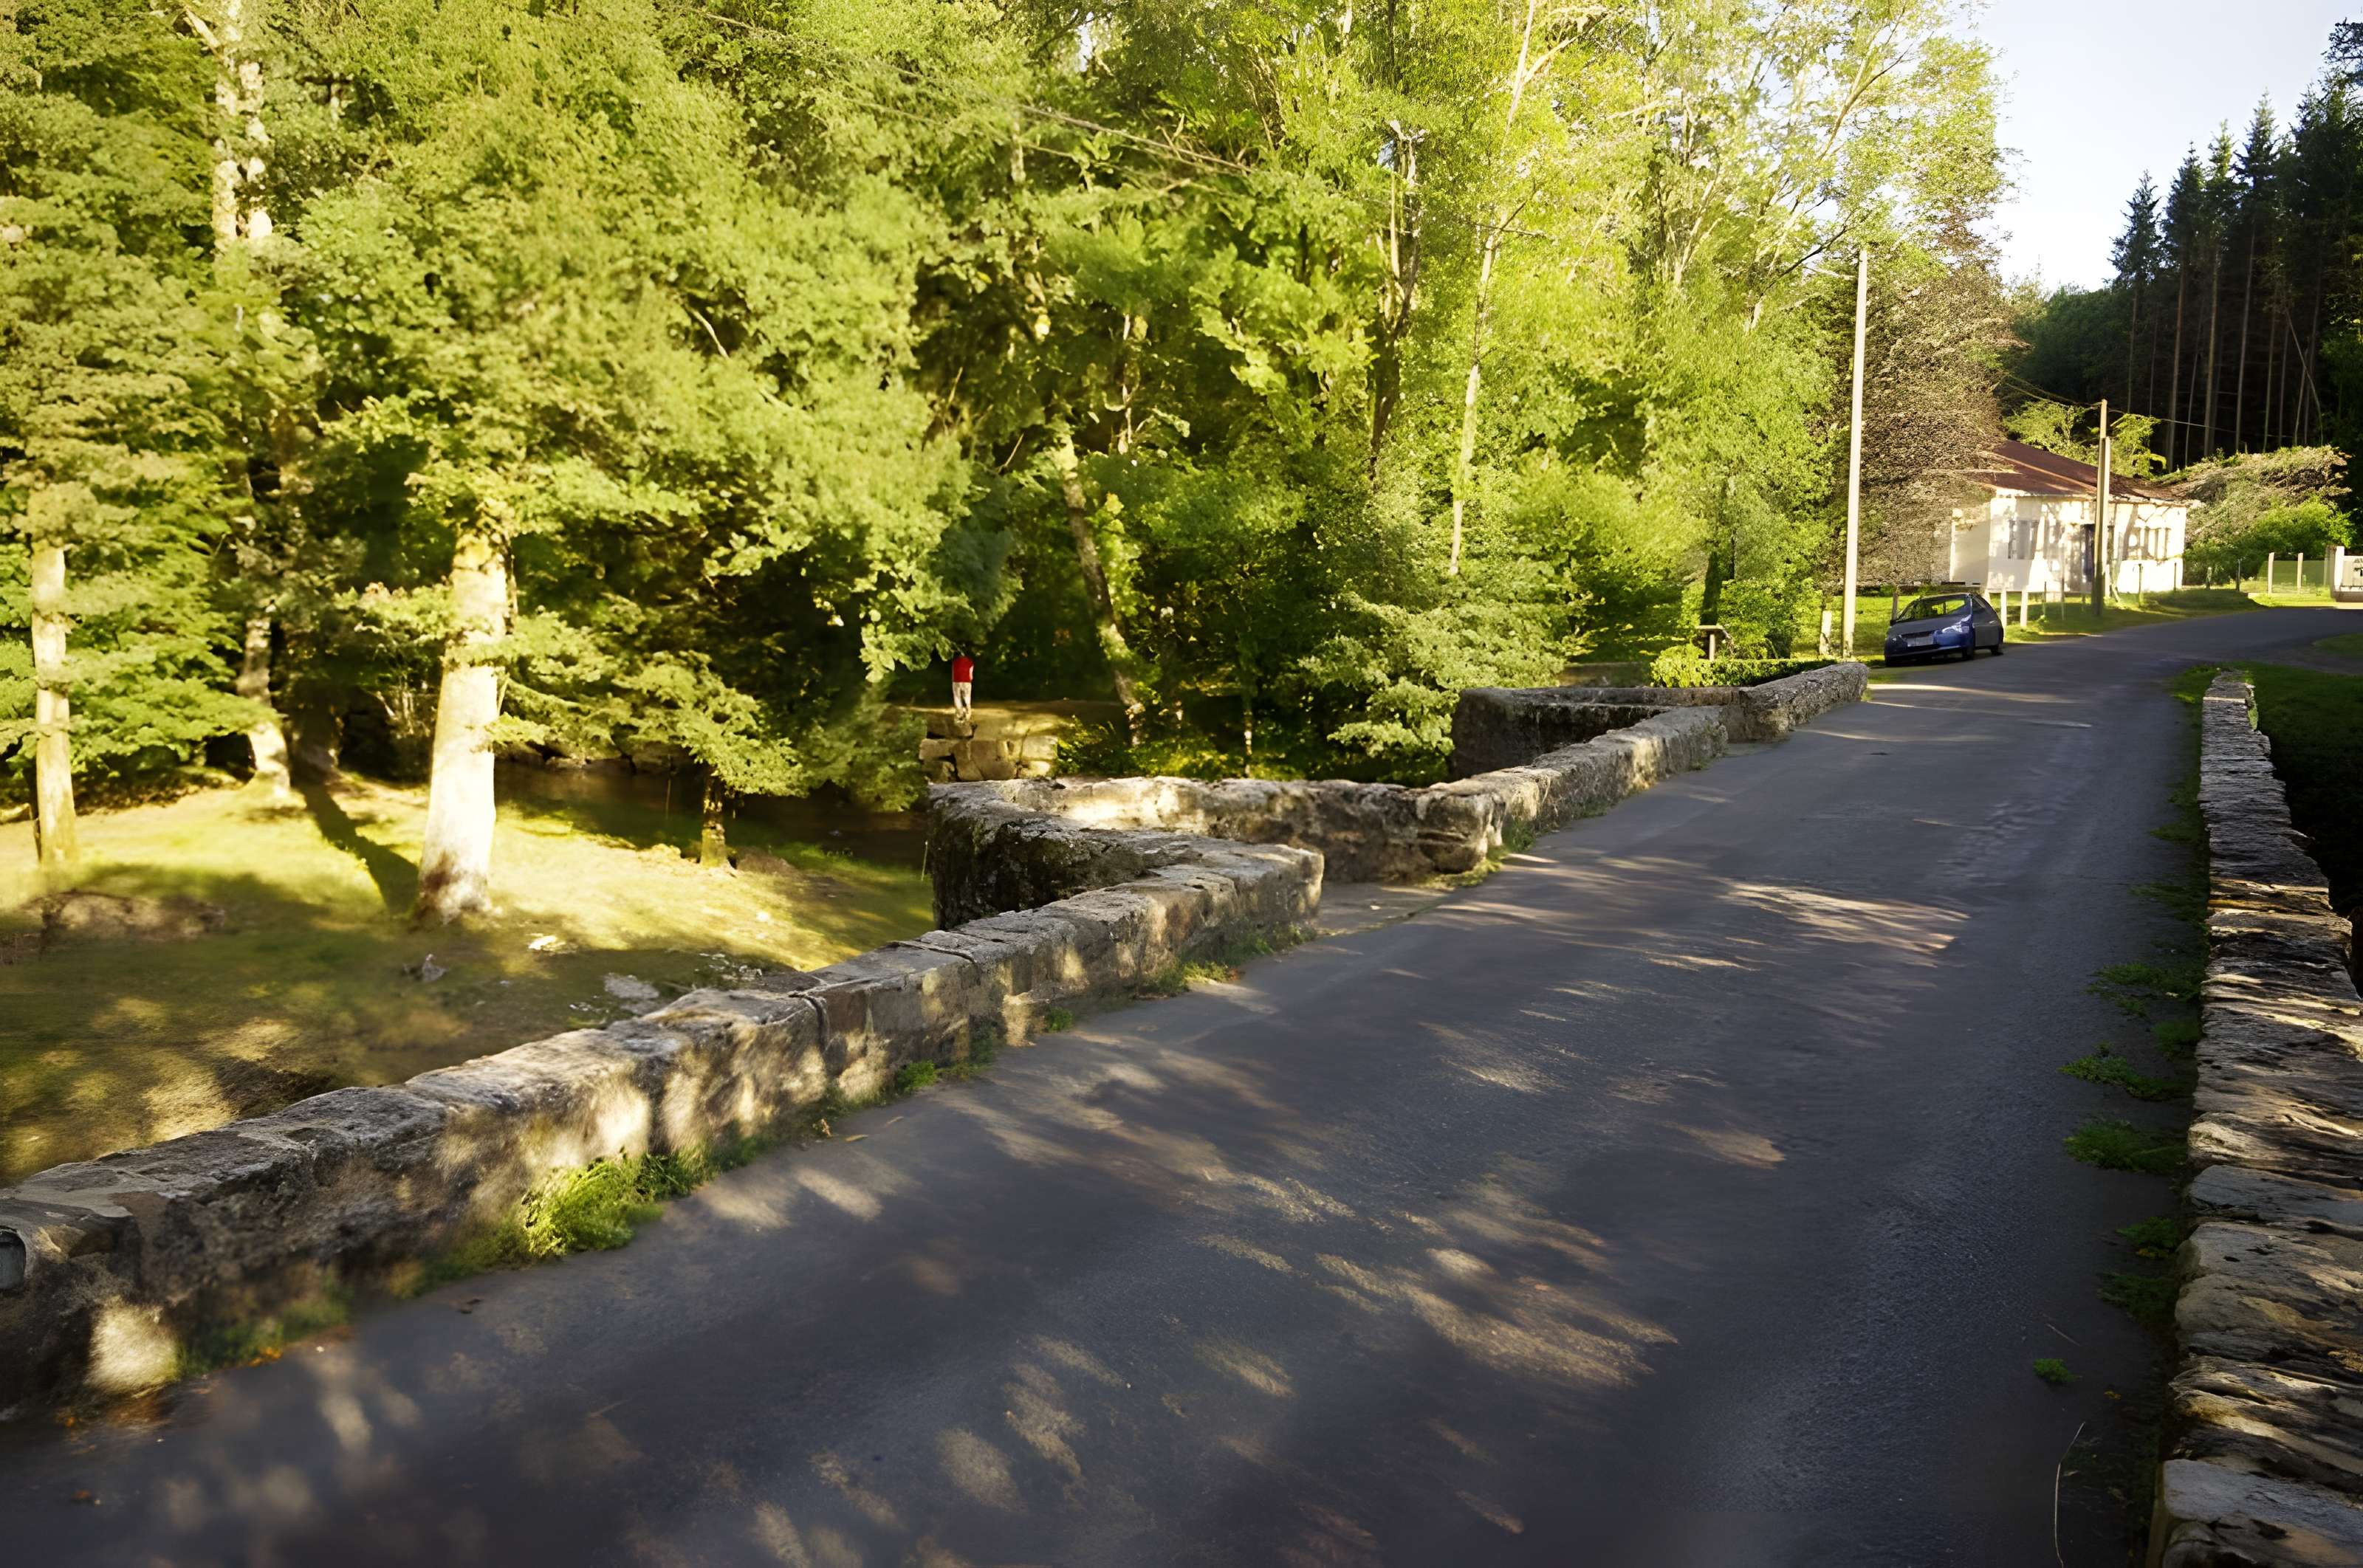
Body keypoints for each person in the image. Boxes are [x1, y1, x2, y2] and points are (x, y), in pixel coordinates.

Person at [950, 653, 974, 722]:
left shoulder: (955, 661)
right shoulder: (970, 662)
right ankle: (968, 714)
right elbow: (971, 675)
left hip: (956, 681)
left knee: (957, 697)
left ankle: (960, 715)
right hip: (967, 681)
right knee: (967, 697)